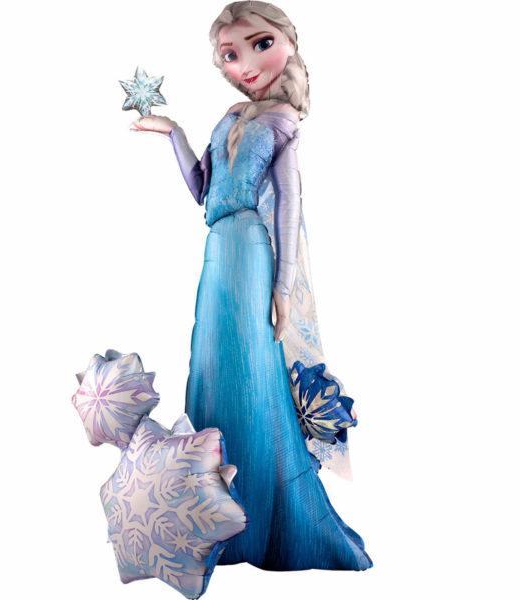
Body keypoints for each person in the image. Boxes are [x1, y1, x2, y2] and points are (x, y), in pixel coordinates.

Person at [131, 1, 372, 572]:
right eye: (230, 54)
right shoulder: (231, 117)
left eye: (261, 44)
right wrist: (175, 132)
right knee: (212, 364)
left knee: (254, 369)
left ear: (288, 42)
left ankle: (267, 519)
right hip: (217, 251)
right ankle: (213, 516)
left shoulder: (281, 120)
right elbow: (202, 191)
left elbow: (289, 205)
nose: (246, 63)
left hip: (250, 254)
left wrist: (283, 288)